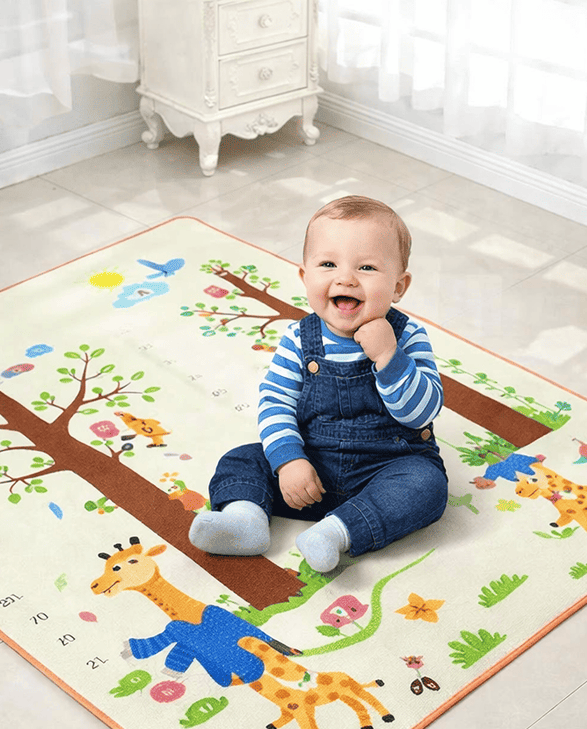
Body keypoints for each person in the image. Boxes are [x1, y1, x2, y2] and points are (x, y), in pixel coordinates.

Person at [189, 195, 448, 573]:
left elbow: (421, 413)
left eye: (367, 267)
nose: (345, 278)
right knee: (242, 458)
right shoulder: (299, 338)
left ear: (398, 287)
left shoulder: (407, 337)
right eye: (328, 264)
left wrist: (389, 359)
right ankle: (246, 520)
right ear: (304, 276)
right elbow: (275, 403)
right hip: (311, 468)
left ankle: (337, 532)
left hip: (387, 465)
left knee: (429, 486)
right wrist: (289, 461)